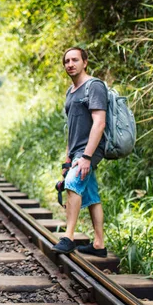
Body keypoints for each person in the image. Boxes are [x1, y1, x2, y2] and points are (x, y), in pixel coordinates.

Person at [52, 47, 108, 258]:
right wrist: (68, 159)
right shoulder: (71, 91)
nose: (70, 64)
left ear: (85, 62)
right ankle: (99, 245)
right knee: (91, 196)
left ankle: (68, 237)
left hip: (90, 150)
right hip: (76, 151)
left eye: (75, 60)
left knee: (72, 184)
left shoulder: (94, 87)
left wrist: (86, 157)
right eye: (66, 61)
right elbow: (72, 128)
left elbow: (99, 123)